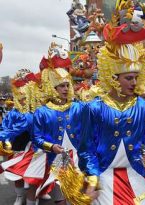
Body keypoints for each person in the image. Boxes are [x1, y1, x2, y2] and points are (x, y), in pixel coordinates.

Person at [78, 1, 145, 204]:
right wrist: (92, 178)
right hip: (104, 177)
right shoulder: (94, 108)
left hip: (137, 175)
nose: (134, 82)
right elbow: (86, 148)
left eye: (136, 77)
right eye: (129, 78)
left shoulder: (143, 106)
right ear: (113, 77)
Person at [32, 43, 84, 205]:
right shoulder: (42, 112)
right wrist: (51, 146)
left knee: (77, 199)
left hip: (78, 159)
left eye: (67, 85)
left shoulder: (78, 107)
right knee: (61, 200)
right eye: (61, 86)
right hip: (55, 161)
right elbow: (36, 138)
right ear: (52, 88)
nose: (65, 88)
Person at [0, 69, 40, 205]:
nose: (23, 101)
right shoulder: (12, 114)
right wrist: (5, 139)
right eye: (20, 98)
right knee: (17, 174)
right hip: (17, 146)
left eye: (25, 98)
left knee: (32, 176)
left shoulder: (35, 113)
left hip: (33, 148)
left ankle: (36, 195)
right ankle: (19, 196)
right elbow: (5, 127)